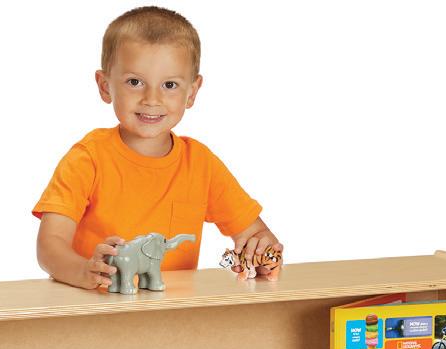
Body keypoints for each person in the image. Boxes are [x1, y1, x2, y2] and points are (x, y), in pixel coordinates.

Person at [33, 6, 283, 290]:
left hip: (171, 311)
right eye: (135, 82)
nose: (152, 99)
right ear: (105, 86)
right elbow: (49, 246)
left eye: (170, 85)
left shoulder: (201, 164)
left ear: (192, 92)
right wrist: (82, 271)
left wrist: (262, 254)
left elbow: (256, 234)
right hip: (94, 307)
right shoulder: (87, 158)